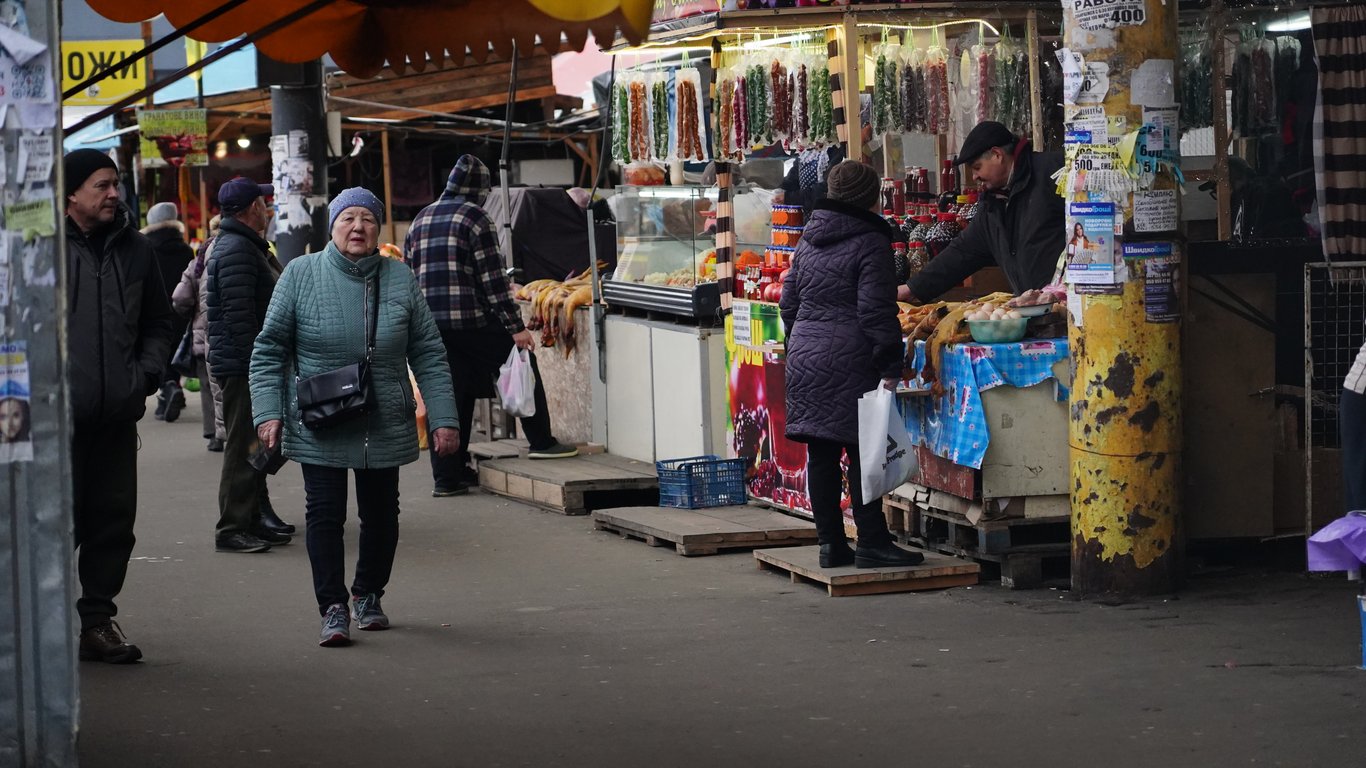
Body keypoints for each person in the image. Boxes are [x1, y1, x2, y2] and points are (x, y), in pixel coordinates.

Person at [251, 187, 459, 647]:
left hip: (382, 416)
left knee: (382, 513)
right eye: (348, 218)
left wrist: (444, 417)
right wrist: (267, 412)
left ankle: (368, 595)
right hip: (320, 417)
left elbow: (428, 352)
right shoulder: (300, 275)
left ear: (378, 228)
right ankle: (331, 607)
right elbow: (268, 350)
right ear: (333, 227)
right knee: (324, 513)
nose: (358, 227)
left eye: (367, 218)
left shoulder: (400, 278)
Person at [779, 160, 925, 570]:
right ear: (872, 197)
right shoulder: (870, 241)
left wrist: (805, 340)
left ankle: (830, 545)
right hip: (852, 355)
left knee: (821, 453)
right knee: (864, 449)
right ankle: (873, 541)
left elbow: (787, 302)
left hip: (805, 355)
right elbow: (875, 312)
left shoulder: (808, 238)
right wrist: (890, 364)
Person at [404, 154, 578, 498]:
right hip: (473, 322)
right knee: (521, 361)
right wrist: (515, 328)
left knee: (452, 393)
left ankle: (448, 478)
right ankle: (541, 440)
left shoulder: (420, 218)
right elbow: (493, 281)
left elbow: (409, 276)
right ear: (480, 190)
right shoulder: (476, 218)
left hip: (430, 328)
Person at [63, 148, 178, 663]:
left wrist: (146, 375)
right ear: (70, 193)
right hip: (51, 421)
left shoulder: (136, 249)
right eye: (101, 185)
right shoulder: (38, 246)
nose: (114, 193)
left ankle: (96, 622)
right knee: (52, 524)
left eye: (115, 184)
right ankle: (36, 626)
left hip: (116, 417)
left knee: (112, 521)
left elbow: (159, 320)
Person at [206, 178, 293, 552]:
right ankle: (231, 528)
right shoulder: (238, 250)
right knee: (244, 446)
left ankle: (252, 518)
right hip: (245, 367)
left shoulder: (244, 246)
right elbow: (241, 317)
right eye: (263, 202)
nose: (268, 209)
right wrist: (259, 367)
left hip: (247, 364)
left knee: (258, 444)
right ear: (249, 209)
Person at [900, 121, 1065, 303]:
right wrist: (913, 288)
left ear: (997, 155)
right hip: (1035, 309)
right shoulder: (992, 204)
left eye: (977, 167)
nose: (974, 177)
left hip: (1074, 310)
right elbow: (963, 252)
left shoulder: (1055, 173)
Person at [175, 214, 227, 452]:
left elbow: (180, 298)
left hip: (202, 333)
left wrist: (192, 315)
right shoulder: (241, 250)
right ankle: (233, 433)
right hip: (232, 332)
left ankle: (214, 435)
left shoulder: (199, 259)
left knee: (209, 386)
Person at [142, 202, 194, 422]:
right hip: (181, 311)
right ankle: (170, 393)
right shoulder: (185, 249)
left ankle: (169, 387)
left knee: (158, 353)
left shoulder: (146, 248)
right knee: (174, 352)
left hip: (156, 311)